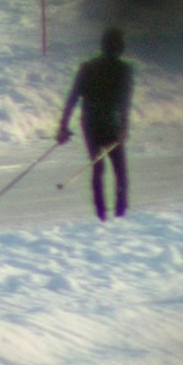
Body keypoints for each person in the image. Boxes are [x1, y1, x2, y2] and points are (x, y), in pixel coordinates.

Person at [58, 22, 136, 220]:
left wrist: (63, 127)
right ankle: (120, 213)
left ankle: (101, 214)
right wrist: (124, 128)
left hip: (90, 124)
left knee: (98, 167)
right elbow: (125, 103)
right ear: (120, 47)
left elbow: (73, 98)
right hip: (111, 124)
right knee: (119, 170)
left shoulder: (87, 68)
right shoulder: (124, 70)